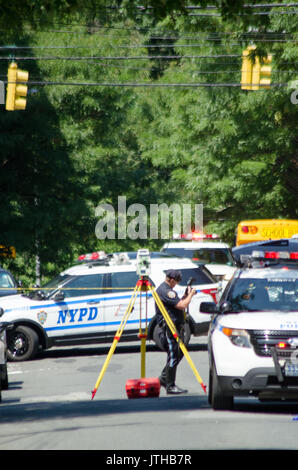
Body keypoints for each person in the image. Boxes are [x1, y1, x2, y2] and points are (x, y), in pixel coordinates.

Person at [155, 269, 197, 394]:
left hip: (175, 326)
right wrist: (191, 295)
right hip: (169, 328)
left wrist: (186, 295)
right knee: (173, 355)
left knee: (179, 353)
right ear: (171, 279)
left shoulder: (167, 290)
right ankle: (170, 385)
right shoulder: (166, 291)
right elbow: (182, 306)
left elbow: (178, 303)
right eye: (177, 281)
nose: (177, 284)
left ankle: (164, 378)